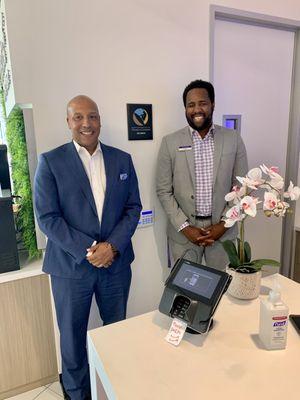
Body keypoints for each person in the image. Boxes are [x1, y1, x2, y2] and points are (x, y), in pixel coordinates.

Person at [34, 95, 142, 400]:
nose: (86, 123)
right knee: (72, 338)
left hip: (116, 265)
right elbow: (47, 218)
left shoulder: (122, 160)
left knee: (115, 332)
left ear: (100, 121)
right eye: (78, 117)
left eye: (92, 117)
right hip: (70, 269)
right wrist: (92, 249)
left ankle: (114, 388)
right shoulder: (51, 162)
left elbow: (133, 208)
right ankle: (77, 393)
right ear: (68, 122)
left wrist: (112, 247)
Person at [156, 79, 248, 270]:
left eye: (202, 103)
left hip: (224, 232)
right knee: (185, 291)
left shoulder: (233, 139)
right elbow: (164, 191)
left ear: (212, 105)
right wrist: (186, 228)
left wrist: (223, 225)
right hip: (184, 234)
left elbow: (242, 188)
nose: (197, 109)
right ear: (185, 109)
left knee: (222, 291)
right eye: (191, 105)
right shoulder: (170, 143)